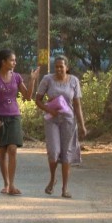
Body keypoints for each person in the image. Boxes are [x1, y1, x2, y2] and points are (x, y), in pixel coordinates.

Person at [0, 49, 39, 195]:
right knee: (2, 151)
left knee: (13, 149)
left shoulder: (16, 77)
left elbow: (27, 96)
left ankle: (12, 185)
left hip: (14, 116)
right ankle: (6, 184)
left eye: (15, 60)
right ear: (3, 62)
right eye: (12, 60)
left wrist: (32, 80)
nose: (14, 63)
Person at [34, 55, 86, 199]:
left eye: (61, 67)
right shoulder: (47, 79)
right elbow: (38, 100)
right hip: (52, 120)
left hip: (68, 120)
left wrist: (82, 125)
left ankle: (65, 188)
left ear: (66, 68)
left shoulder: (74, 81)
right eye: (56, 67)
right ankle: (52, 179)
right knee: (54, 151)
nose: (58, 69)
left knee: (66, 153)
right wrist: (49, 110)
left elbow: (77, 104)